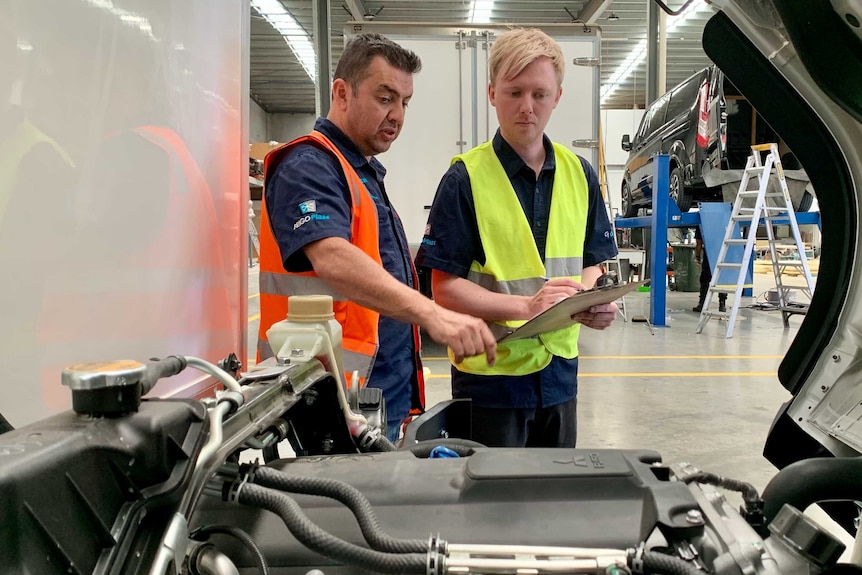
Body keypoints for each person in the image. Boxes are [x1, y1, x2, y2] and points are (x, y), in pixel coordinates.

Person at [258, 33, 497, 443]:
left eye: (405, 102)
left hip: (370, 396)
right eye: (385, 98)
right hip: (327, 404)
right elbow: (332, 257)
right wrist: (433, 314)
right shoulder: (307, 166)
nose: (398, 115)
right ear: (342, 93)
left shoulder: (360, 174)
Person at [415, 28, 618, 448]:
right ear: (492, 93)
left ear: (557, 97)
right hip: (492, 382)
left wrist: (593, 299)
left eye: (540, 94)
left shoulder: (580, 174)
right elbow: (444, 288)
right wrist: (526, 306)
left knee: (555, 497)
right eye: (514, 92)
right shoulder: (464, 179)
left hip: (560, 375)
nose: (527, 107)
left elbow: (591, 262)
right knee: (493, 507)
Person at [693, 226, 727, 313]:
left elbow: (699, 243)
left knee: (705, 279)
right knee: (721, 279)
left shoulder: (702, 223)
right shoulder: (723, 221)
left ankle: (702, 304)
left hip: (709, 255)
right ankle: (722, 304)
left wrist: (697, 257)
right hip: (722, 253)